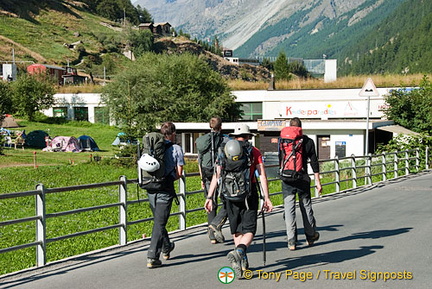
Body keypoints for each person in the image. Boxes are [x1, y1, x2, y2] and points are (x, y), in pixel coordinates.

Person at [204, 124, 273, 278]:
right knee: (249, 230)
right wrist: (267, 198)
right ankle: (240, 252)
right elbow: (262, 175)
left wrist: (210, 197)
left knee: (237, 230)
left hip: (229, 196)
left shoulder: (224, 150)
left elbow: (217, 175)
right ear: (248, 136)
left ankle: (241, 263)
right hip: (249, 195)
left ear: (235, 136)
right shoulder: (253, 151)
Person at [147, 122, 185, 268]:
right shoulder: (176, 148)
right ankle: (152, 257)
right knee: (160, 222)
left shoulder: (152, 147)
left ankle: (166, 246)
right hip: (165, 190)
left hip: (150, 188)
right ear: (173, 133)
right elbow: (179, 173)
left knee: (158, 220)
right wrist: (168, 178)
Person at [281, 117, 322, 251]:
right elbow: (314, 161)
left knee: (289, 209)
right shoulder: (308, 141)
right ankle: (310, 236)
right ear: (301, 128)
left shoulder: (283, 141)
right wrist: (317, 181)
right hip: (302, 178)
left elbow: (280, 158)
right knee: (306, 206)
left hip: (287, 178)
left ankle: (291, 241)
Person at [196, 116, 228, 244]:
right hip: (222, 174)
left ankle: (211, 235)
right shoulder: (225, 140)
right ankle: (216, 226)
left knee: (210, 201)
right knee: (226, 201)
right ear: (221, 126)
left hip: (207, 173)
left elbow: (199, 160)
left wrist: (202, 178)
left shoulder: (203, 141)